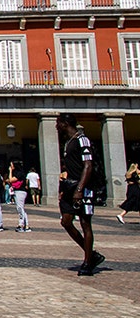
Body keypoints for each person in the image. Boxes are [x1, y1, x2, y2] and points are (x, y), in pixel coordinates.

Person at [56, 113, 104, 276]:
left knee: (85, 223)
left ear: (65, 123)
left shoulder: (82, 140)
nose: (56, 126)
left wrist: (80, 189)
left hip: (83, 188)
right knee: (66, 222)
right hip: (70, 186)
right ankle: (92, 254)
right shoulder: (68, 142)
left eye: (58, 123)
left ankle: (87, 262)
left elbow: (88, 166)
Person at [6, 161, 30, 232]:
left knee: (20, 208)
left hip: (20, 191)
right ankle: (26, 225)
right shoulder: (17, 173)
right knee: (21, 208)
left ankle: (21, 225)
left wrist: (10, 171)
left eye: (11, 165)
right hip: (18, 191)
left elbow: (11, 180)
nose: (11, 167)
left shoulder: (19, 173)